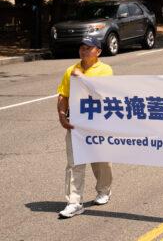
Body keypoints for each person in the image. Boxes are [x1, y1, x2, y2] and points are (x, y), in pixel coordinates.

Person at [56, 37, 113, 218]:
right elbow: (63, 95)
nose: (84, 51)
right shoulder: (70, 70)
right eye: (82, 48)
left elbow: (104, 94)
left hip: (98, 123)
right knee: (74, 163)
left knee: (100, 160)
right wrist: (62, 115)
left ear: (98, 51)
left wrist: (83, 79)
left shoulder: (105, 70)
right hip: (76, 125)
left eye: (89, 48)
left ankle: (104, 190)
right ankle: (74, 202)